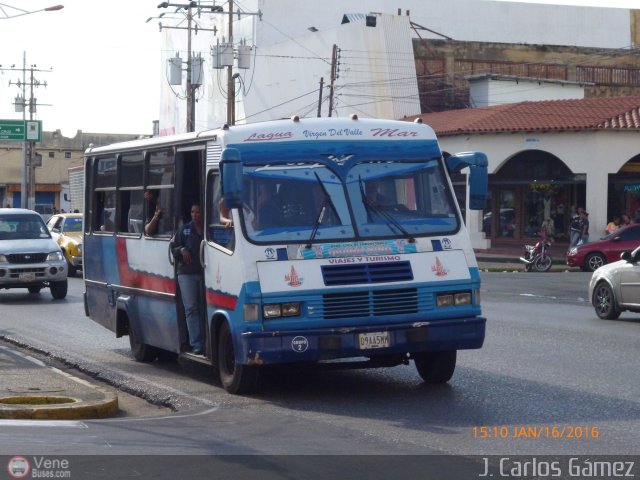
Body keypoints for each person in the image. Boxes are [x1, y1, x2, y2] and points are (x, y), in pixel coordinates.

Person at [171, 204, 205, 355]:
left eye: (198, 212)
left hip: (205, 273)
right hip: (186, 273)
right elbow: (173, 248)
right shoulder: (185, 229)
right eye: (192, 212)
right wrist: (182, 250)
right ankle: (196, 343)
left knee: (204, 308)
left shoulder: (208, 229)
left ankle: (206, 341)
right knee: (191, 309)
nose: (194, 215)